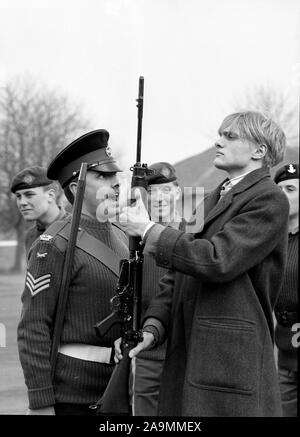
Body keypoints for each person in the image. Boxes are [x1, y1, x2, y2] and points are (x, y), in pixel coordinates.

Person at [116, 111, 289, 416]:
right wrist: (153, 326)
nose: (218, 141)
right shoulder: (211, 199)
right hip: (191, 352)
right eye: (220, 134)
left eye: (230, 136)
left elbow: (216, 260)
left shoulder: (268, 199)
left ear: (260, 151)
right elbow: (176, 277)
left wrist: (148, 230)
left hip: (230, 362)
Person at [17, 129, 128, 415]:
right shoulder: (53, 244)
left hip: (123, 389)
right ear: (77, 187)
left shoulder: (125, 236)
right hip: (73, 398)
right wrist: (41, 403)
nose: (114, 183)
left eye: (114, 175)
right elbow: (33, 328)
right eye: (102, 177)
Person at [133, 162, 182, 416]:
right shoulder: (134, 241)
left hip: (184, 352)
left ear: (178, 193)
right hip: (147, 353)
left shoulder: (194, 237)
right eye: (152, 192)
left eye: (166, 191)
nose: (159, 198)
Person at [273, 163, 298, 417]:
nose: (282, 195)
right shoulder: (273, 239)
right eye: (278, 189)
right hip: (284, 359)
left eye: (290, 189)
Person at [10, 166, 68, 254]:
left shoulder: (75, 230)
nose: (22, 202)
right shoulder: (30, 235)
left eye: (29, 195)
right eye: (18, 196)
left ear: (50, 195)